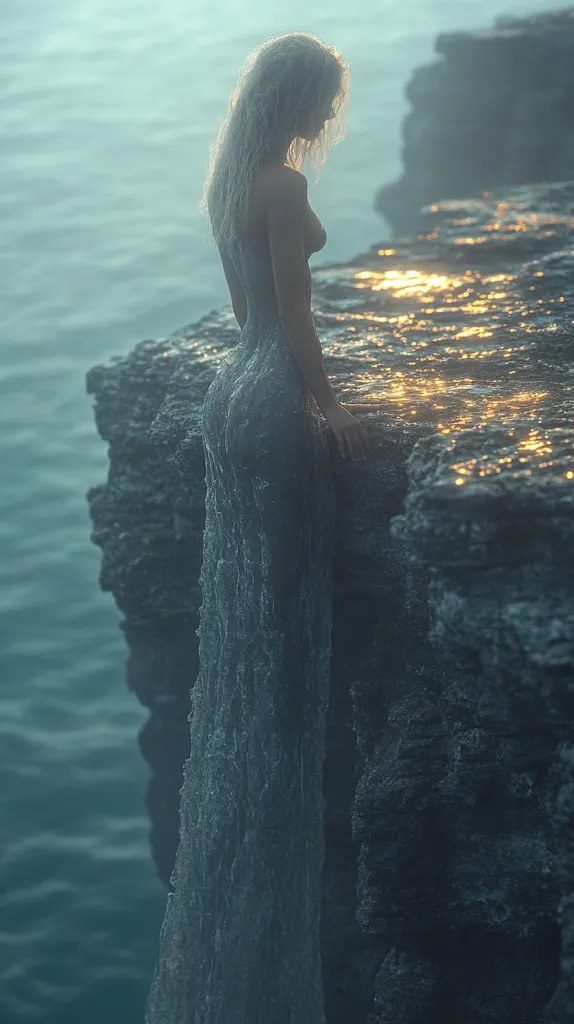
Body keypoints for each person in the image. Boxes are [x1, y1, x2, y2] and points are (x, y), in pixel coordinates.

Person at [144, 31, 384, 1024]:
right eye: (327, 98)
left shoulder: (229, 179)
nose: (331, 115)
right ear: (300, 95)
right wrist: (327, 405)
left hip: (228, 395)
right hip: (277, 395)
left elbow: (245, 309)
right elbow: (292, 310)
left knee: (246, 634)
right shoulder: (280, 185)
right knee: (277, 636)